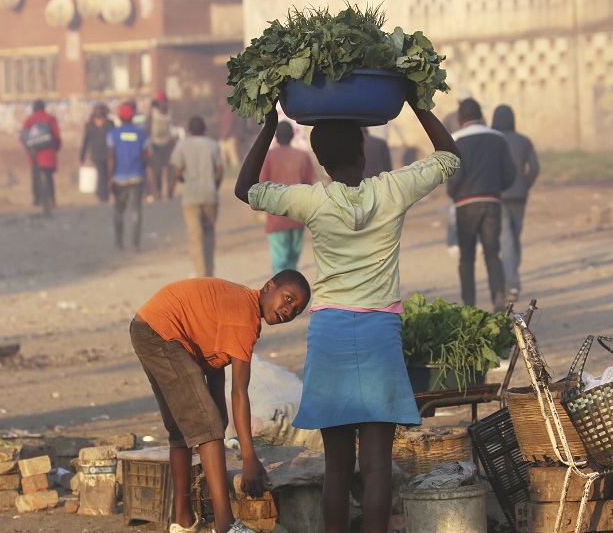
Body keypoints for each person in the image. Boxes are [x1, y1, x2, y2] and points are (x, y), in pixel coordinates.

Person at [235, 91, 461, 533]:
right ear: (363, 150)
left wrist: (268, 126)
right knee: (376, 467)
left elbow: (245, 189)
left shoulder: (313, 201)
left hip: (331, 336)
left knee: (337, 468)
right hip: (379, 334)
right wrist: (417, 104)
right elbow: (451, 157)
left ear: (320, 160)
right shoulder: (393, 189)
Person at [131, 270, 311, 533]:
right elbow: (239, 391)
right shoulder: (244, 317)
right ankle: (226, 526)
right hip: (162, 331)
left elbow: (213, 366)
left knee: (184, 431)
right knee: (208, 426)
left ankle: (182, 522)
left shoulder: (240, 305)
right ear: (268, 286)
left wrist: (221, 421)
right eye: (287, 298)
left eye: (296, 310)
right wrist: (249, 459)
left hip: (148, 327)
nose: (289, 310)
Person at [447, 98, 516, 312]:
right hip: (492, 201)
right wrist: (496, 189)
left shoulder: (455, 140)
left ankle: (469, 304)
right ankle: (498, 295)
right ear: (482, 116)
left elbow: (453, 176)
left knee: (467, 256)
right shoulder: (498, 139)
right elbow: (510, 173)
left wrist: (454, 193)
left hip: (465, 204)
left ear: (460, 118)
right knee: (492, 253)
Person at [492, 104, 540, 303]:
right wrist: (524, 185)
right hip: (519, 196)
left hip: (498, 195)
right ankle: (512, 279)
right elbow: (534, 168)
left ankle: (511, 283)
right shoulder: (523, 141)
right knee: (515, 239)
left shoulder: (493, 140)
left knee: (506, 240)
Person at [259, 120, 317, 273]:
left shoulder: (268, 157)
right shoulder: (302, 156)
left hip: (276, 216)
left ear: (276, 137)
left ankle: (282, 292)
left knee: (280, 261)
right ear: (292, 136)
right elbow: (309, 185)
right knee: (292, 261)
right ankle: (294, 292)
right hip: (297, 215)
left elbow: (261, 185)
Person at [170, 116, 222, 278]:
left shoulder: (182, 146)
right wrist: (214, 186)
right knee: (209, 234)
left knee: (195, 237)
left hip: (191, 197)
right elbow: (219, 170)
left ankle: (201, 274)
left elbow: (177, 172)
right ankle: (210, 271)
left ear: (189, 130)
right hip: (209, 195)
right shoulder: (213, 145)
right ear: (204, 129)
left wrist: (183, 180)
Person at [107, 103, 150, 252]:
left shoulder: (113, 134)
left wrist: (110, 177)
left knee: (119, 211)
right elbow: (146, 156)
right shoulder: (141, 134)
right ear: (133, 117)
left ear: (119, 116)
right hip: (137, 176)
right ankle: (135, 244)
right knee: (136, 211)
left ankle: (119, 243)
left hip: (119, 177)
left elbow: (112, 157)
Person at [441, 88, 474, 256]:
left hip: (473, 166)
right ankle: (453, 242)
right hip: (455, 165)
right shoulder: (450, 119)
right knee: (454, 209)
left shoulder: (478, 118)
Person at [21, 99, 61, 214]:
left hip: (35, 154)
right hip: (48, 152)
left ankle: (37, 200)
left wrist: (29, 148)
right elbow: (56, 135)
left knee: (36, 177)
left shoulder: (30, 120)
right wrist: (56, 147)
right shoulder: (50, 118)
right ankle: (51, 199)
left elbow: (24, 136)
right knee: (48, 177)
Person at [80, 103, 115, 203]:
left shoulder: (109, 123)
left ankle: (103, 193)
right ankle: (102, 194)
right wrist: (82, 154)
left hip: (108, 153)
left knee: (106, 174)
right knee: (101, 173)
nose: (98, 112)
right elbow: (86, 140)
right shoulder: (90, 124)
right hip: (96, 154)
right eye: (96, 110)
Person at [148, 91, 177, 200]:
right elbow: (148, 127)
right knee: (157, 170)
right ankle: (158, 192)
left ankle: (169, 192)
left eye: (165, 102)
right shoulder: (153, 113)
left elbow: (173, 127)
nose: (164, 104)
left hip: (167, 143)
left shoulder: (170, 112)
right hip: (156, 144)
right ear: (158, 103)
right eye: (161, 102)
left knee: (170, 169)